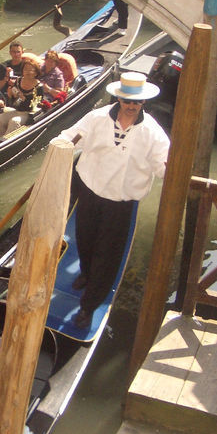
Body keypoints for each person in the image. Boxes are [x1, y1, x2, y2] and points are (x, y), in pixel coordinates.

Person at [57, 71, 170, 329]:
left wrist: (176, 170)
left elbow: (164, 167)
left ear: (143, 103)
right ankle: (85, 272)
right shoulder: (97, 118)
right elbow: (69, 138)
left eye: (137, 102)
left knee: (107, 255)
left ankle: (89, 305)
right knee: (84, 239)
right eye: (128, 101)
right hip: (89, 189)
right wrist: (58, 147)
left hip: (120, 202)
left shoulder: (153, 132)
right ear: (119, 98)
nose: (132, 106)